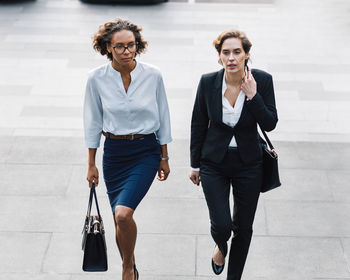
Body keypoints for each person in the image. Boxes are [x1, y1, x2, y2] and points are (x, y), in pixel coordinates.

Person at [83, 18, 172, 280]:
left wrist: (164, 156)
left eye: (131, 45)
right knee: (117, 217)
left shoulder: (152, 75)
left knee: (123, 214)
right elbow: (92, 121)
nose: (127, 51)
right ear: (108, 47)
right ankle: (130, 263)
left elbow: (164, 115)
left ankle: (127, 267)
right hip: (114, 154)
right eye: (120, 46)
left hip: (146, 151)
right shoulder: (96, 79)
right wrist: (91, 162)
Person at [189, 29, 278, 280]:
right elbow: (198, 123)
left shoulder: (262, 80)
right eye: (225, 52)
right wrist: (194, 164)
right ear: (219, 57)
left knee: (243, 228)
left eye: (237, 52)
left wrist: (253, 95)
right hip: (213, 163)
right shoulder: (208, 82)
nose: (231, 57)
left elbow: (270, 122)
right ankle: (221, 245)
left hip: (249, 164)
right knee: (222, 225)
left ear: (246, 54)